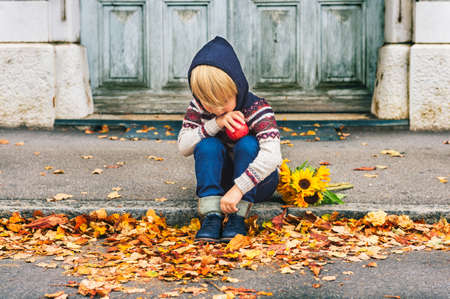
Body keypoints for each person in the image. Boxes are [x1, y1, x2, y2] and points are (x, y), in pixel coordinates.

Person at [177, 36, 282, 242]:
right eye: (208, 102)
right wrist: (216, 123)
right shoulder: (198, 107)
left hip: (258, 184)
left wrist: (238, 190)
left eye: (223, 101)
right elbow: (184, 146)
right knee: (207, 144)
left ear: (237, 87)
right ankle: (211, 215)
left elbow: (273, 157)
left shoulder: (257, 108)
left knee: (248, 143)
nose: (215, 108)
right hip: (224, 180)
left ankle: (237, 217)